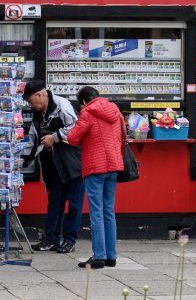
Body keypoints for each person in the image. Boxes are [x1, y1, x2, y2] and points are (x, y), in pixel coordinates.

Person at [21, 80, 84, 253]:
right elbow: (34, 138)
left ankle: (69, 240)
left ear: (40, 95)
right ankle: (50, 239)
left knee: (74, 203)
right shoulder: (38, 112)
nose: (30, 105)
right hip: (52, 164)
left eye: (30, 101)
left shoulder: (62, 105)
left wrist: (54, 137)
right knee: (55, 201)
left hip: (72, 162)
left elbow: (77, 126)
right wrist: (23, 158)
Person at [67, 86, 124, 270]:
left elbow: (73, 138)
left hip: (95, 167)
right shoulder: (116, 111)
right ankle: (111, 256)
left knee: (96, 212)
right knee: (109, 211)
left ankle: (99, 256)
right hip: (114, 165)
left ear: (84, 101)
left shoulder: (88, 113)